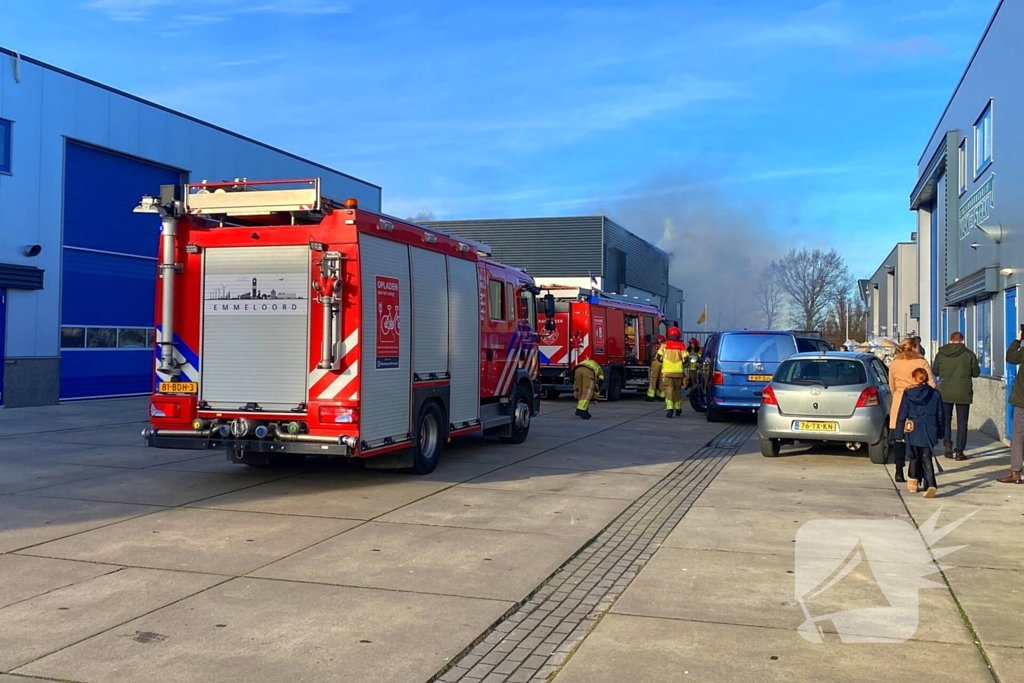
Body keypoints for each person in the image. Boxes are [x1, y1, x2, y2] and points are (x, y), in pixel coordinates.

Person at [889, 338, 936, 483]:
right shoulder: (921, 362)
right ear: (914, 348)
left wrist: (899, 393)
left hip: (899, 402)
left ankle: (898, 470)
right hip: (918, 407)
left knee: (899, 438)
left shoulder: (895, 363)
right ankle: (915, 473)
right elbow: (931, 384)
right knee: (916, 441)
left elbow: (892, 385)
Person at [895, 367, 945, 498]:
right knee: (927, 457)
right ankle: (930, 484)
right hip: (929, 428)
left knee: (914, 456)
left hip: (913, 428)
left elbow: (902, 414)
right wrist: (941, 432)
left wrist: (899, 435)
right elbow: (941, 415)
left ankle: (913, 483)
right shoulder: (935, 394)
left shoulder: (908, 394)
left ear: (914, 379)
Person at [931, 331, 981, 461]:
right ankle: (959, 451)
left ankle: (947, 444)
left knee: (946, 420)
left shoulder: (941, 354)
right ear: (962, 341)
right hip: (963, 392)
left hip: (945, 391)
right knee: (962, 422)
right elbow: (976, 373)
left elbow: (935, 371)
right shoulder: (969, 354)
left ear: (950, 340)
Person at [999, 328, 1024, 484]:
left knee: (1018, 434)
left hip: (1022, 400)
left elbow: (1010, 357)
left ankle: (1015, 471)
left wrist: (1017, 340)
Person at [661, 327, 686, 418]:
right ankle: (678, 408)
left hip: (667, 373)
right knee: (677, 390)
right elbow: (686, 359)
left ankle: (669, 409)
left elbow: (659, 358)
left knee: (669, 390)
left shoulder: (664, 345)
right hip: (678, 373)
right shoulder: (681, 345)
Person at [646, 335, 666, 402]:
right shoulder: (666, 347)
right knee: (661, 380)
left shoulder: (654, 346)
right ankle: (662, 396)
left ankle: (651, 396)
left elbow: (652, 355)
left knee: (653, 379)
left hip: (655, 362)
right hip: (663, 364)